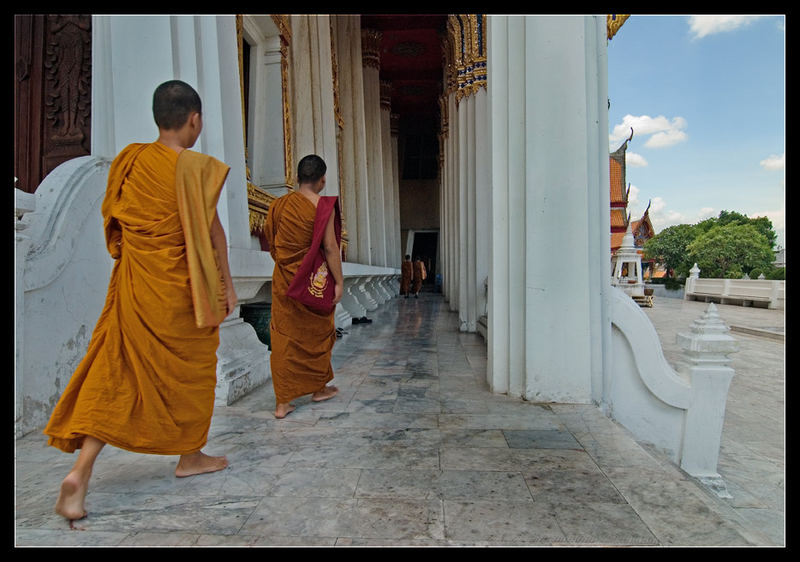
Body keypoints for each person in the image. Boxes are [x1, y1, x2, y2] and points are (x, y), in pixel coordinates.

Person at [43, 80, 237, 523]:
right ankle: (190, 456)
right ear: (195, 119)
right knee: (193, 374)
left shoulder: (131, 161)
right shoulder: (195, 169)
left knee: (115, 377)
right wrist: (225, 285)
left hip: (138, 289)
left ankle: (81, 472)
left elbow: (114, 225)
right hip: (182, 295)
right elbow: (213, 235)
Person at [265, 154, 343, 419]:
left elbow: (273, 244)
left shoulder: (278, 205)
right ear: (322, 180)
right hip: (314, 282)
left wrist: (289, 266)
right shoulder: (323, 207)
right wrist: (339, 282)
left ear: (297, 178)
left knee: (284, 337)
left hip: (285, 281)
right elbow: (331, 248)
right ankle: (319, 389)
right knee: (318, 333)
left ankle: (282, 403)